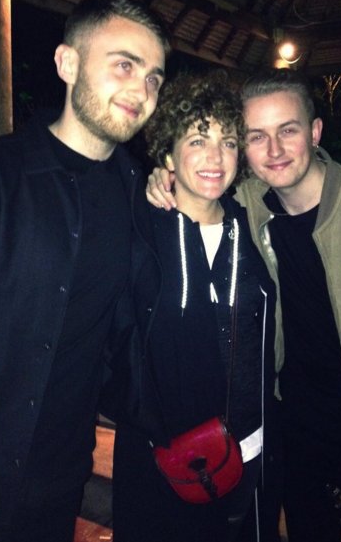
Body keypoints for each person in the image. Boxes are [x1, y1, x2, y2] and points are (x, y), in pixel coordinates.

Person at [146, 68, 341, 542]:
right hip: (297, 433)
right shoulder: (250, 200)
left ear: (315, 132)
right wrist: (163, 177)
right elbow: (200, 183)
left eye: (288, 130)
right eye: (256, 136)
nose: (273, 150)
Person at [0, 0, 169, 542]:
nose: (142, 90)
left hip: (59, 481)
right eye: (125, 65)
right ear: (67, 63)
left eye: (154, 78)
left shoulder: (140, 201)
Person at [101, 71, 281, 542]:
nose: (215, 157)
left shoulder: (252, 226)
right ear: (168, 154)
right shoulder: (138, 231)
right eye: (198, 140)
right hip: (164, 462)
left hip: (249, 451)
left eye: (227, 142)